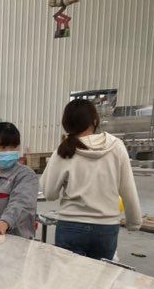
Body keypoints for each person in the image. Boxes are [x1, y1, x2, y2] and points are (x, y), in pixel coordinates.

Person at [42, 99, 142, 259]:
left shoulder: (64, 150)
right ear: (95, 121)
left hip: (71, 224)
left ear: (66, 123)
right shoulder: (117, 146)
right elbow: (127, 187)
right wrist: (134, 222)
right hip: (106, 226)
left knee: (68, 274)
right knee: (100, 274)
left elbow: (49, 193)